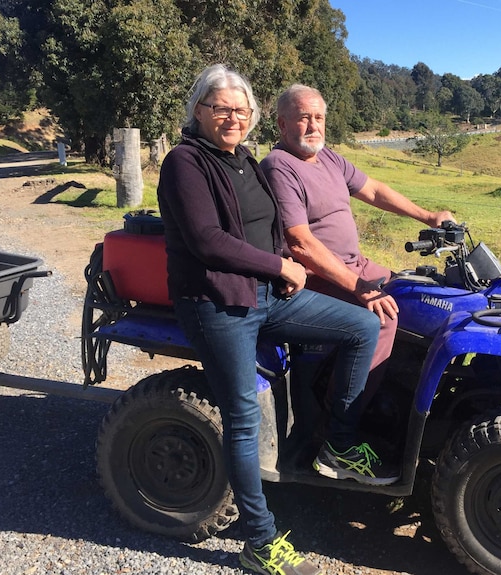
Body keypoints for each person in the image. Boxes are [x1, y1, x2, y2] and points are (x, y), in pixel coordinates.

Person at [157, 64, 397, 575]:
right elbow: (207, 241)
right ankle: (259, 542)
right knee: (243, 418)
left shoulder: (244, 161)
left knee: (362, 325)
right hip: (218, 304)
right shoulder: (184, 163)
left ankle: (338, 442)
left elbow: (270, 229)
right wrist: (280, 265)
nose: (232, 118)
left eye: (241, 111)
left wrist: (283, 271)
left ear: (252, 117)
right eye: (221, 108)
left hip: (268, 295)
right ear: (198, 111)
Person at [260, 84, 454, 415]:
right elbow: (301, 244)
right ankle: (341, 423)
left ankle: (403, 391)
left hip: (355, 264)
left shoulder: (329, 158)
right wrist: (362, 290)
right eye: (303, 118)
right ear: (282, 124)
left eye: (318, 117)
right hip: (317, 277)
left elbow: (375, 191)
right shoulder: (280, 166)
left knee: (415, 293)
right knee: (382, 319)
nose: (313, 126)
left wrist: (429, 216)